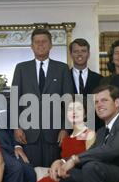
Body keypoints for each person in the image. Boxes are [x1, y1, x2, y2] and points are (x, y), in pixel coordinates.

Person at [12, 28, 74, 167]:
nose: (40, 45)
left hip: (54, 134)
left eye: (44, 41)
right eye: (37, 42)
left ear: (51, 45)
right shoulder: (21, 68)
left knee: (52, 175)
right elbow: (15, 100)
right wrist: (16, 127)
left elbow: (69, 102)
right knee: (31, 176)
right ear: (32, 46)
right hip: (28, 134)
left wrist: (65, 129)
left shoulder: (62, 68)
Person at [69, 38, 103, 130]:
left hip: (94, 130)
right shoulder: (64, 78)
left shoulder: (99, 79)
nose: (80, 54)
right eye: (76, 51)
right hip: (70, 131)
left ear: (88, 54)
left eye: (83, 51)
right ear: (71, 54)